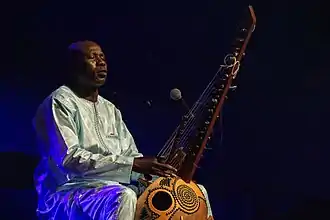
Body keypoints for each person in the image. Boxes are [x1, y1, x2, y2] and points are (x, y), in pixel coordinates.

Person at [33, 40, 213, 219]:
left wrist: (157, 168)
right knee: (123, 197)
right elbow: (69, 160)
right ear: (73, 67)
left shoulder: (110, 109)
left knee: (194, 192)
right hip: (67, 192)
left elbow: (131, 155)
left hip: (112, 187)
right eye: (92, 58)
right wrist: (133, 165)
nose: (101, 62)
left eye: (102, 57)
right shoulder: (59, 102)